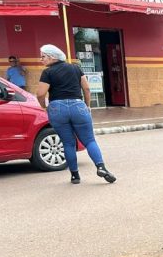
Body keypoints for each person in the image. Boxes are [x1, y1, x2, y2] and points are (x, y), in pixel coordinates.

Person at [35, 45, 117, 185]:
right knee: (90, 140)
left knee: (68, 143)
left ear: (52, 57)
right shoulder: (75, 68)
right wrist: (87, 105)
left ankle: (75, 176)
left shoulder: (47, 72)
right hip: (78, 106)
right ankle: (101, 167)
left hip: (57, 108)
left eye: (43, 56)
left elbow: (41, 94)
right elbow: (86, 88)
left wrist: (45, 107)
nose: (41, 59)